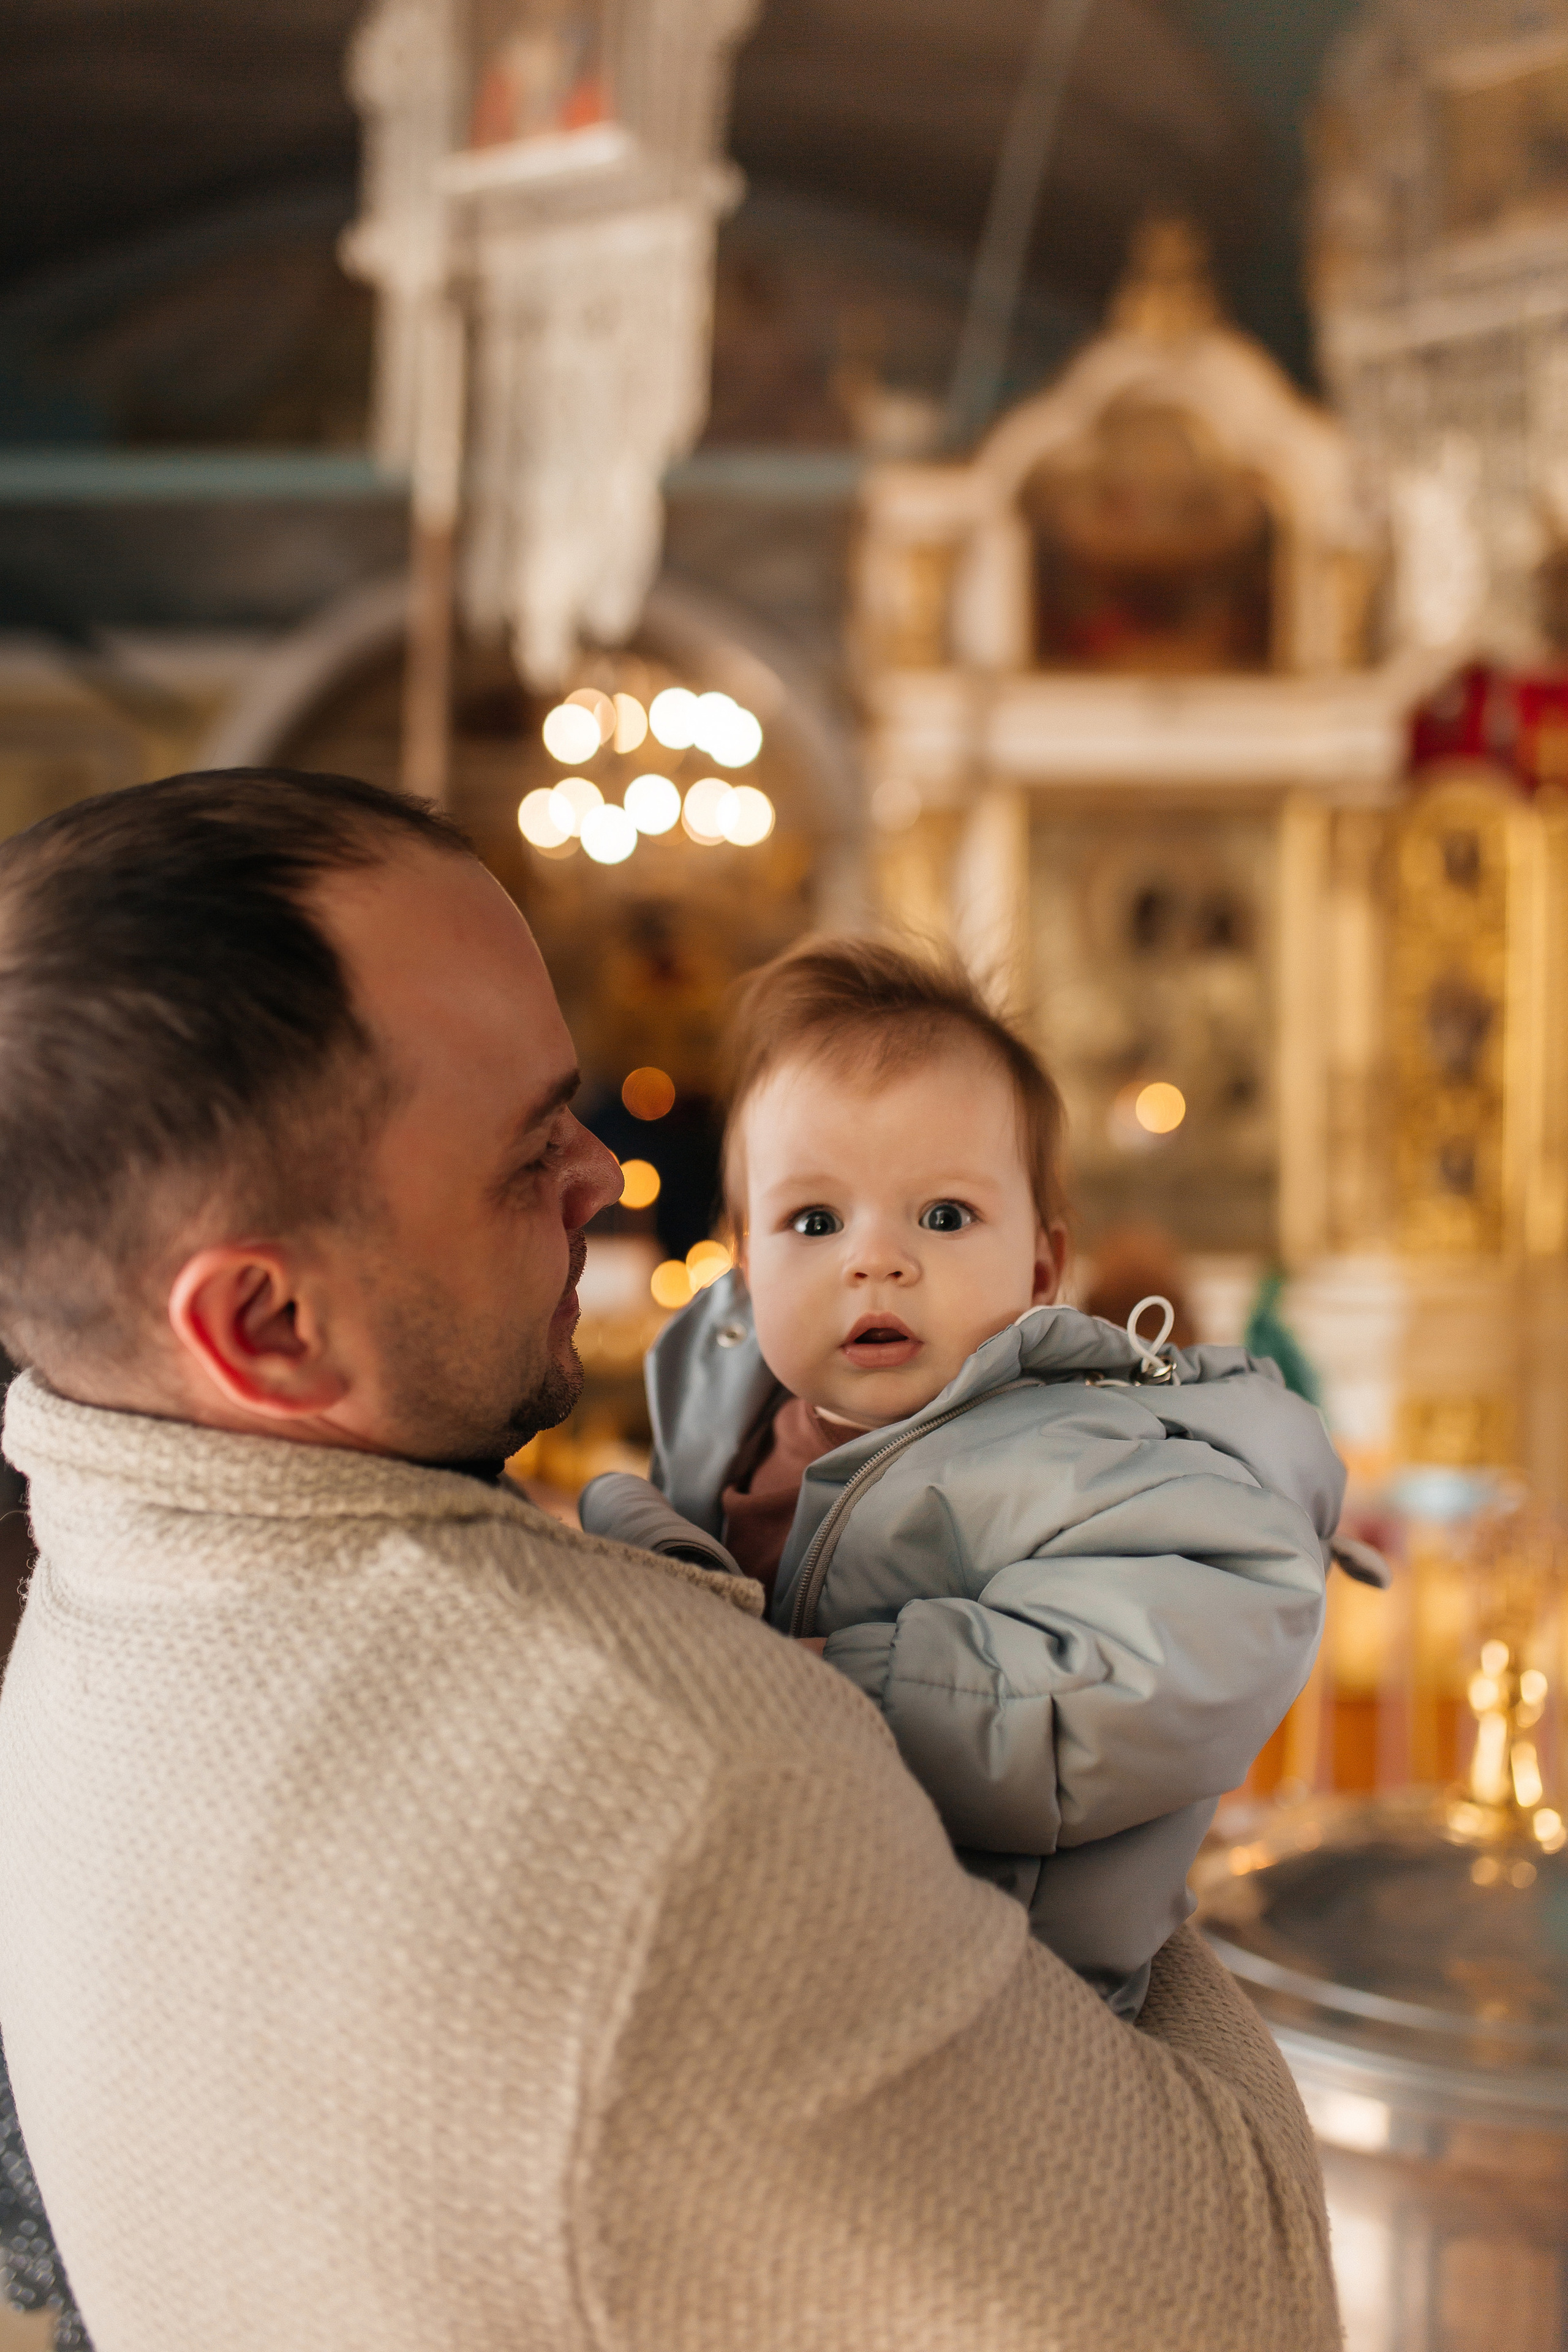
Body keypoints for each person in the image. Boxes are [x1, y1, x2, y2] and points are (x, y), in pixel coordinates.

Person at [0, 769, 1339, 2352]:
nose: (605, 1176)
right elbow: (1244, 2291)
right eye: (521, 1158)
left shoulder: (85, 1622)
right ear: (267, 1327)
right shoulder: (680, 1779)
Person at [581, 940, 1354, 2017]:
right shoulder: (721, 1419)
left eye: (942, 1217)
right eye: (815, 1220)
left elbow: (1181, 1644)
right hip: (772, 1935)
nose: (876, 1259)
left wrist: (823, 1684)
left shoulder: (1077, 1450)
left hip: (1004, 1999)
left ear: (1040, 1267)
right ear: (747, 1270)